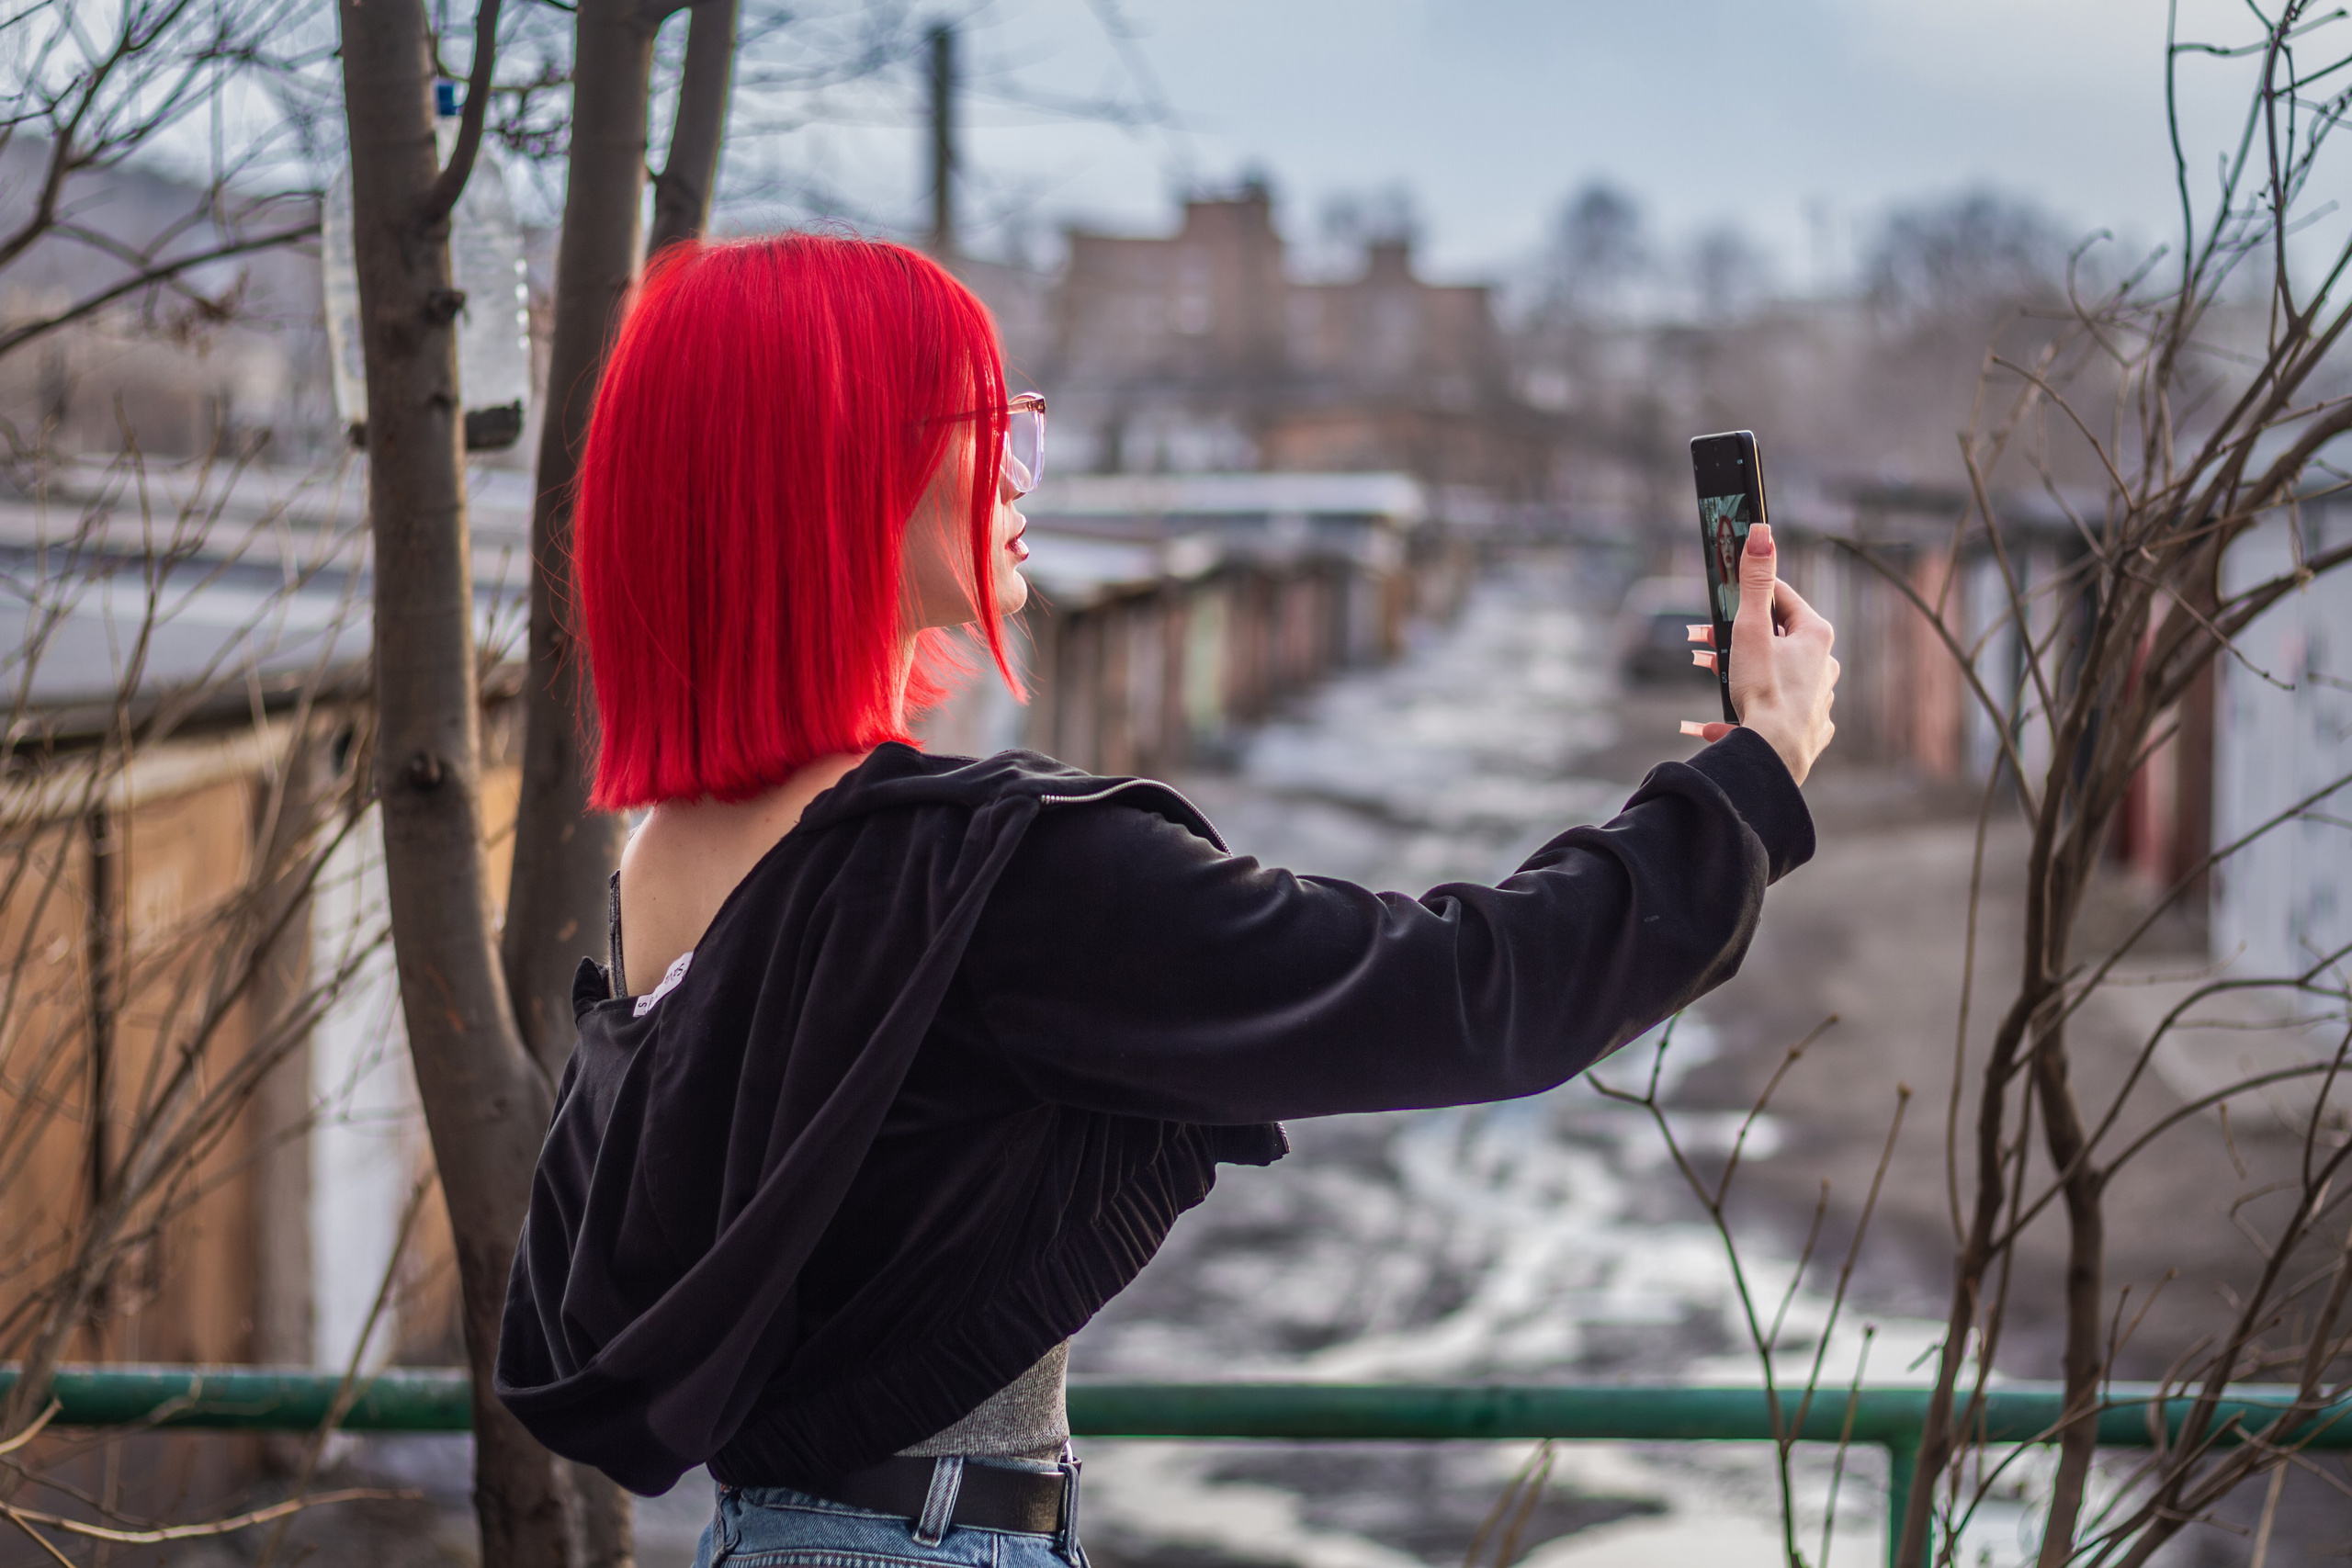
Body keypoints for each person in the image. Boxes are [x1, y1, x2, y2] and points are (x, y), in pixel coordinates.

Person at [494, 233, 1839, 1568]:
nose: (1023, 470)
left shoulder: (663, 862)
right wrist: (1748, 785)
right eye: (984, 424)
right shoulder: (987, 877)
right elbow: (1478, 991)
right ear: (841, 468)